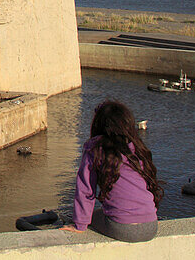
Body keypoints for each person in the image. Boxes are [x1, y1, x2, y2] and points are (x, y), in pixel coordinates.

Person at [62, 100, 161, 242]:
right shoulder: (137, 148)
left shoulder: (95, 149)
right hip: (151, 226)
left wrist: (80, 225)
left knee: (90, 220)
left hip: (123, 229)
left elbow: (85, 189)